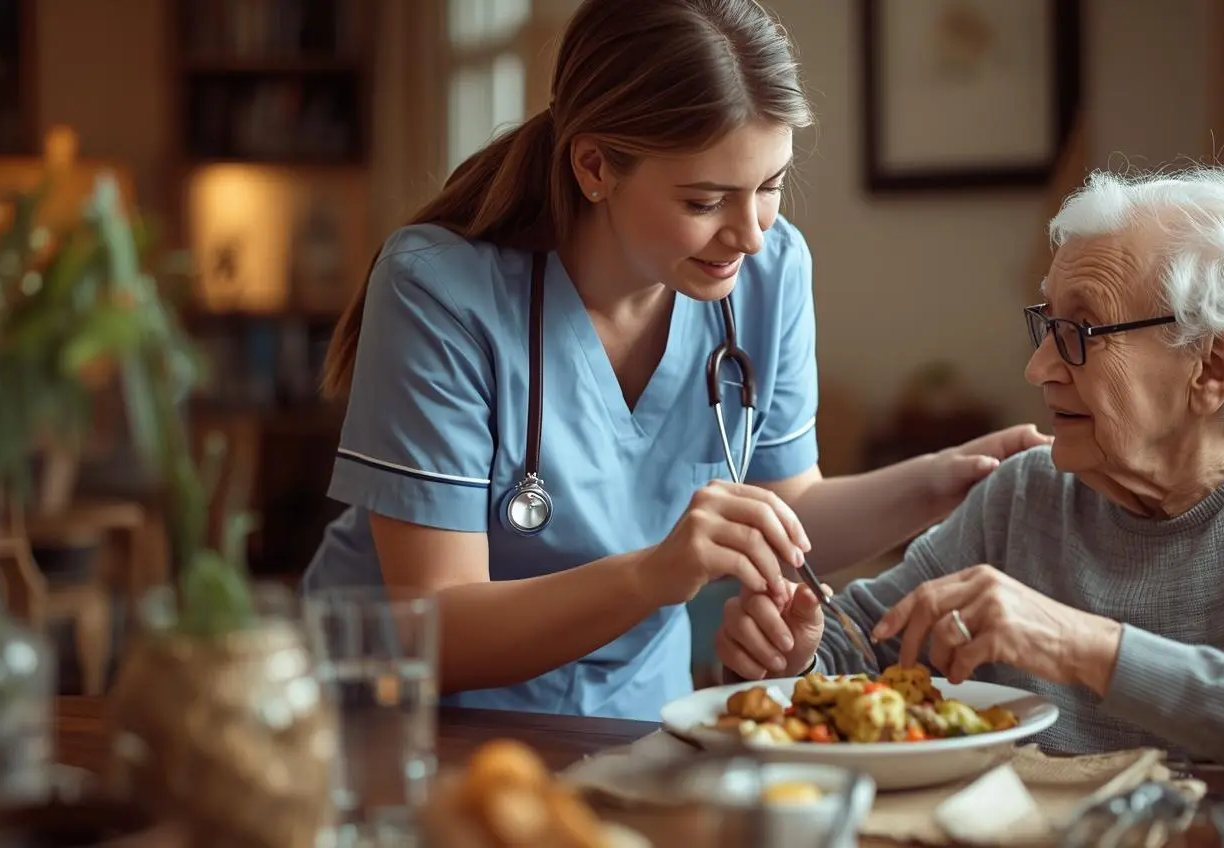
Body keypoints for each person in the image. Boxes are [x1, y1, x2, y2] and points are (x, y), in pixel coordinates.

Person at [301, 0, 1049, 722]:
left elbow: (785, 511)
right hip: (420, 725)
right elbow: (429, 621)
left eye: (771, 187)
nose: (751, 234)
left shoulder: (769, 271)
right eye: (706, 201)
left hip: (638, 725)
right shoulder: (439, 288)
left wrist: (950, 483)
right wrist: (656, 573)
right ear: (594, 165)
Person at [714, 166, 1224, 819]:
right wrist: (796, 654)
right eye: (1048, 324)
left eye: (1083, 332)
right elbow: (858, 651)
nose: (1038, 369)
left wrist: (1084, 645)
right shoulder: (1027, 493)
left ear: (1216, 364)